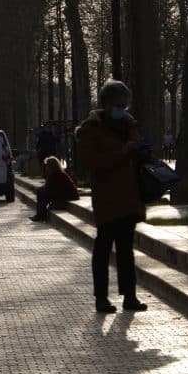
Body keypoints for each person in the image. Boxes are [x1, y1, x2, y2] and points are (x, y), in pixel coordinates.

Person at [76, 80, 149, 313]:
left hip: (128, 195)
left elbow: (139, 148)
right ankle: (101, 298)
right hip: (107, 197)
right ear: (106, 104)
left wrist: (139, 150)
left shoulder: (129, 124)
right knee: (103, 248)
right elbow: (91, 161)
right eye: (118, 105)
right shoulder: (91, 128)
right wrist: (121, 153)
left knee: (126, 249)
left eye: (125, 105)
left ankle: (130, 296)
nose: (122, 109)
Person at [30, 156, 79, 221]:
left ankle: (40, 215)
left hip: (70, 194)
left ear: (51, 166)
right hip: (64, 192)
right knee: (41, 191)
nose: (46, 167)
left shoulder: (57, 174)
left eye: (47, 166)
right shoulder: (54, 173)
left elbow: (50, 187)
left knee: (43, 192)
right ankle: (40, 214)